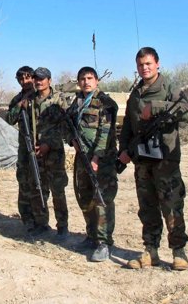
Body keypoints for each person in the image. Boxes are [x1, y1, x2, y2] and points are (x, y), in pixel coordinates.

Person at [118, 47, 188, 271]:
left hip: (165, 159)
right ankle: (151, 250)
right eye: (140, 65)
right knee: (147, 206)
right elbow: (129, 127)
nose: (144, 68)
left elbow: (187, 113)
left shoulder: (169, 88)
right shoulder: (136, 93)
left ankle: (179, 251)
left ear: (157, 63)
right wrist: (124, 151)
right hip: (142, 159)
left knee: (171, 205)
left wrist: (156, 108)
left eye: (148, 64)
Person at [7, 67, 69, 239]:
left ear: (49, 80)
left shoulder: (59, 99)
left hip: (53, 152)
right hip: (34, 153)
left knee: (57, 190)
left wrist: (48, 144)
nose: (37, 81)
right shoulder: (30, 100)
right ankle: (41, 224)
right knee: (37, 189)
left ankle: (62, 227)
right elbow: (14, 120)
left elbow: (65, 126)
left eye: (41, 78)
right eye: (36, 78)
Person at [67, 66, 119, 262]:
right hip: (82, 158)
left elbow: (106, 133)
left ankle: (104, 242)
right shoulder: (77, 102)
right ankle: (91, 236)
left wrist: (97, 158)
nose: (86, 82)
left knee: (102, 199)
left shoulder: (105, 103)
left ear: (97, 80)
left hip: (101, 160)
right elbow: (69, 125)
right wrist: (71, 140)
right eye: (82, 78)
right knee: (85, 196)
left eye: (89, 78)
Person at [5, 66, 36, 228]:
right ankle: (27, 218)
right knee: (24, 181)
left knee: (40, 182)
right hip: (24, 145)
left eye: (28, 77)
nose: (25, 82)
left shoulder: (41, 95)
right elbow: (9, 119)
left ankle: (41, 219)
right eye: (21, 79)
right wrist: (20, 106)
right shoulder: (17, 99)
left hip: (41, 145)